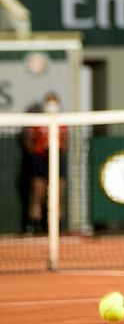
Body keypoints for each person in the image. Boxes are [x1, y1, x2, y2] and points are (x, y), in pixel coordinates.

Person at [22, 92, 68, 234]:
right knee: (37, 195)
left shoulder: (63, 122)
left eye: (54, 102)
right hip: (40, 160)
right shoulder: (37, 121)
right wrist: (37, 154)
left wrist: (57, 152)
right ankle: (35, 229)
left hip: (58, 160)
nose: (52, 105)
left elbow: (65, 143)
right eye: (49, 102)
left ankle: (57, 229)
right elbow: (28, 141)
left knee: (57, 196)